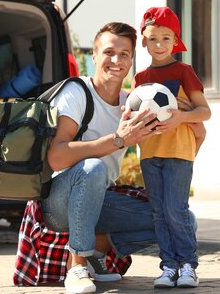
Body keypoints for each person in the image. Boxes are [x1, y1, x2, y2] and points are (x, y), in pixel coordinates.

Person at [41, 22, 161, 294]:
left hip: (101, 197)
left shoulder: (133, 102)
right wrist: (117, 140)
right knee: (92, 168)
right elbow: (56, 158)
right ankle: (77, 266)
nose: (116, 60)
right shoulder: (77, 92)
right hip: (58, 201)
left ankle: (96, 249)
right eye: (109, 52)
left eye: (124, 54)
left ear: (131, 60)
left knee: (181, 218)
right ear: (93, 57)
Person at [132, 6, 211, 288]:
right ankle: (168, 266)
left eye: (166, 38)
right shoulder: (140, 78)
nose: (160, 45)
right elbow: (132, 114)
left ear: (176, 40)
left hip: (179, 151)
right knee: (159, 212)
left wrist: (181, 117)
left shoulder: (184, 71)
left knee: (176, 209)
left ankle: (188, 264)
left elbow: (205, 112)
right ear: (144, 40)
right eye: (153, 38)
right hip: (150, 153)